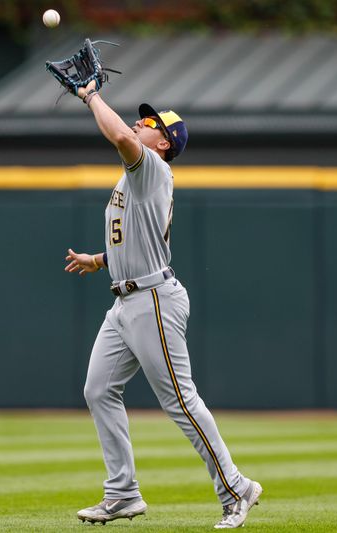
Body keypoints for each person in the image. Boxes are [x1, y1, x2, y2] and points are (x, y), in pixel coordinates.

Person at [63, 79, 262, 530]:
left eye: (150, 123)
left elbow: (118, 135)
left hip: (153, 299)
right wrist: (99, 260)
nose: (140, 122)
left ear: (165, 143)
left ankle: (236, 488)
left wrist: (90, 95)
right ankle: (122, 493)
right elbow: (133, 233)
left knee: (179, 400)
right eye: (143, 118)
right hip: (125, 301)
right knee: (98, 390)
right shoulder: (138, 171)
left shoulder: (150, 165)